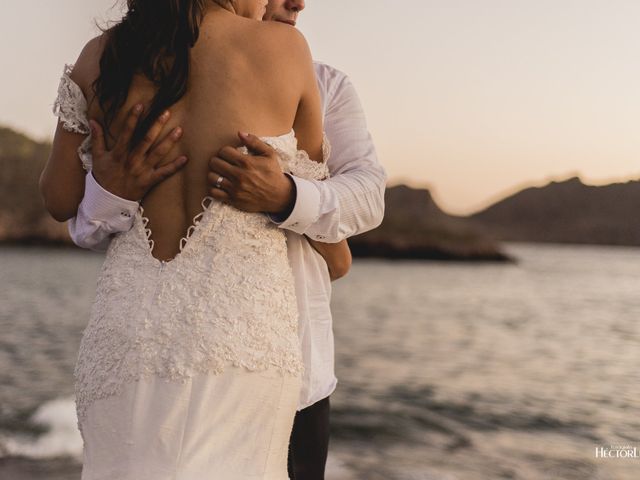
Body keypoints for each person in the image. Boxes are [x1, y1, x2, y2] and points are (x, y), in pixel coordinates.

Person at [49, 1, 387, 477]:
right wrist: (111, 190)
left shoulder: (112, 58)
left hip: (167, 338)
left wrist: (285, 195)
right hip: (249, 344)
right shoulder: (287, 55)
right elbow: (338, 255)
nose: (291, 2)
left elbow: (368, 197)